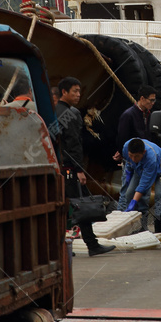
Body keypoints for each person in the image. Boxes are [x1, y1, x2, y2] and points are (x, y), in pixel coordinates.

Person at [55, 77, 115, 256]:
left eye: (79, 91)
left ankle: (62, 247)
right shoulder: (70, 113)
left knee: (63, 207)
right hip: (70, 169)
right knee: (80, 207)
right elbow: (74, 144)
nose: (78, 95)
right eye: (74, 91)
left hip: (60, 166)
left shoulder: (55, 111)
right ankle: (92, 245)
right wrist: (79, 169)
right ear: (64, 92)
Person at [119, 137, 161, 234]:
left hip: (159, 170)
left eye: (136, 156)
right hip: (139, 168)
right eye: (131, 155)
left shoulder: (151, 157)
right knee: (129, 194)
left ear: (143, 152)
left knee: (159, 196)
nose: (133, 158)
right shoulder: (126, 147)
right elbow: (128, 161)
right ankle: (136, 227)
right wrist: (128, 173)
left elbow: (143, 185)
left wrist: (134, 201)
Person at [115, 89, 157, 156]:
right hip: (134, 156)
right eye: (151, 100)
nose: (153, 103)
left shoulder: (149, 115)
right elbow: (122, 138)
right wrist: (124, 154)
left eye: (154, 100)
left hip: (147, 154)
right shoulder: (128, 115)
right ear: (142, 98)